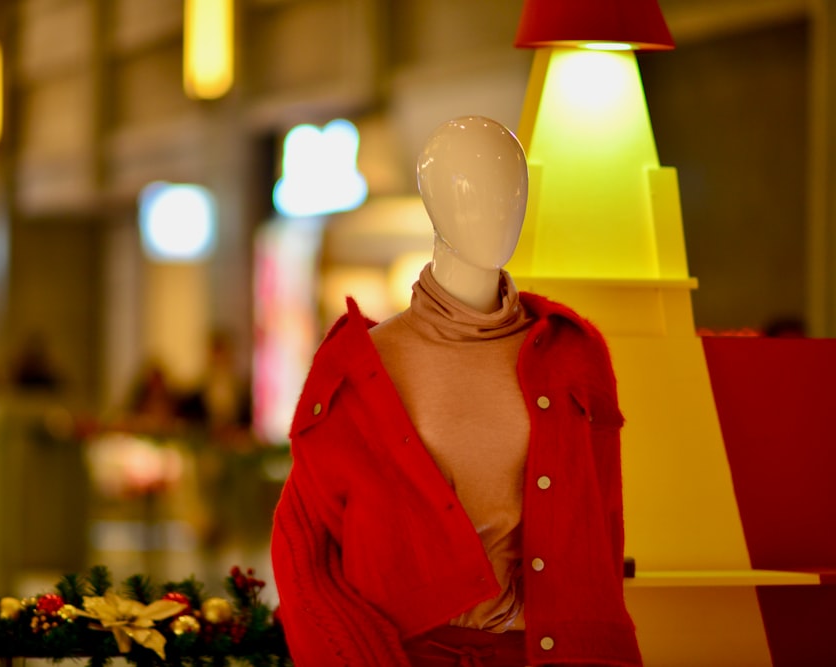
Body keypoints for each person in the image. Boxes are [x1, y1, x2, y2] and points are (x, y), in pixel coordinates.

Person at [271, 116, 641, 666]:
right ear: (430, 202)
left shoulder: (573, 356)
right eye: (466, 189)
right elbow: (305, 544)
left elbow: (602, 530)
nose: (496, 207)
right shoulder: (363, 365)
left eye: (511, 189)